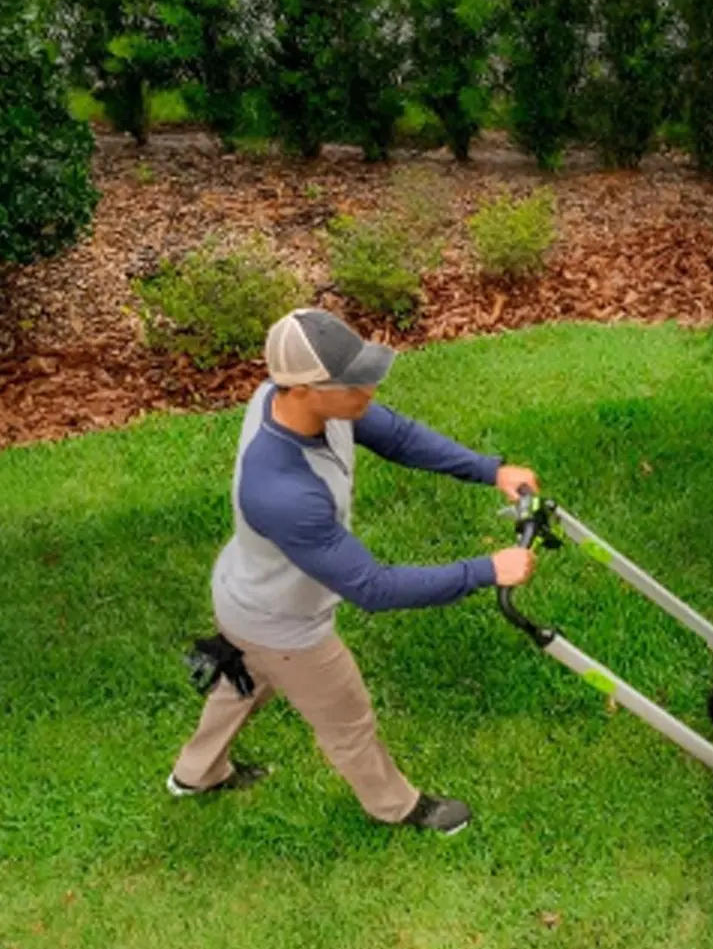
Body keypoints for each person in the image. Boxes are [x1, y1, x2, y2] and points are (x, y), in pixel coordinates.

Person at [167, 307, 538, 835]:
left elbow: (399, 436)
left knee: (246, 679)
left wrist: (489, 470)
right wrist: (485, 570)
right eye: (354, 381)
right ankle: (397, 806)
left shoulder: (306, 403)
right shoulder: (283, 490)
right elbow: (372, 587)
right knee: (348, 719)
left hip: (244, 594)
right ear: (303, 388)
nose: (369, 389)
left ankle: (194, 774)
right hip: (285, 624)